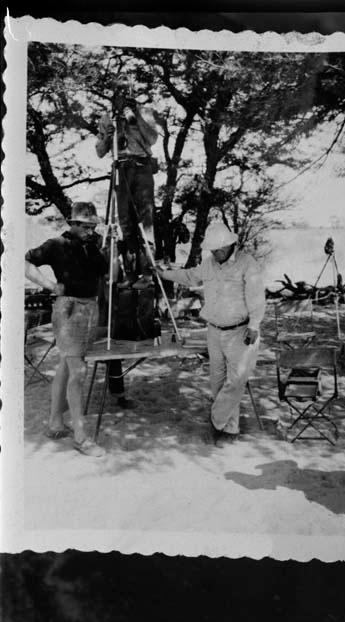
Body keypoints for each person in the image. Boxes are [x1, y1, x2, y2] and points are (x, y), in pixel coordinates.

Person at [156, 222, 266, 445]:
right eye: (213, 249)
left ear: (231, 243)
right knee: (217, 382)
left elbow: (256, 297)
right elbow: (189, 276)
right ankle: (228, 430)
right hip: (214, 331)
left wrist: (254, 325)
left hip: (241, 331)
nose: (217, 253)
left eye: (220, 248)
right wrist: (164, 274)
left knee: (236, 381)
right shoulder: (208, 264)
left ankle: (215, 420)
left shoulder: (247, 264)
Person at [25, 202, 108, 457]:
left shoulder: (93, 247)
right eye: (86, 226)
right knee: (79, 371)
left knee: (66, 366)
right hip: (69, 309)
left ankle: (55, 423)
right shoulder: (55, 245)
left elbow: (108, 274)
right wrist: (50, 285)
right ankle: (81, 437)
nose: (91, 230)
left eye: (93, 226)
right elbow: (24, 261)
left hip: (90, 310)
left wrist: (111, 250)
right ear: (73, 223)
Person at [95, 74, 159, 284]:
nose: (122, 96)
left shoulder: (145, 112)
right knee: (125, 223)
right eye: (119, 92)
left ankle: (148, 273)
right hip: (121, 168)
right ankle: (131, 272)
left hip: (141, 168)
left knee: (145, 220)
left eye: (127, 91)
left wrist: (135, 117)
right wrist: (107, 136)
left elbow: (152, 139)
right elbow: (100, 151)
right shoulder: (107, 118)